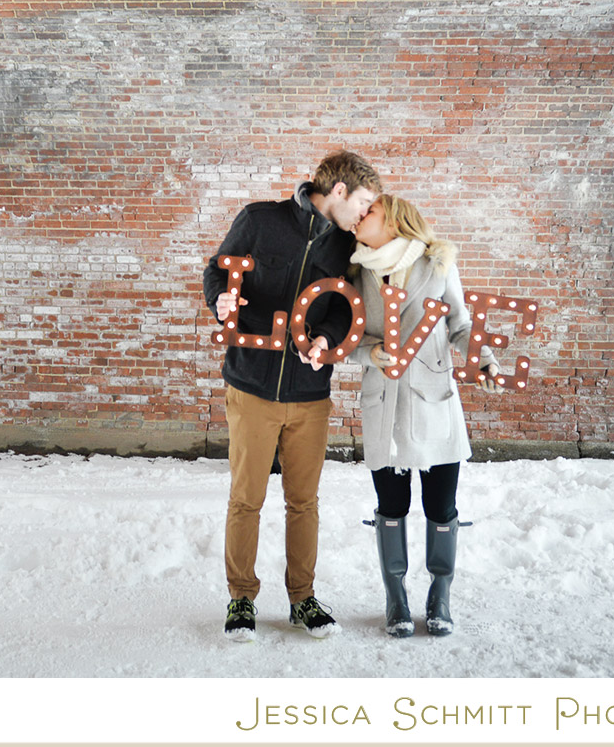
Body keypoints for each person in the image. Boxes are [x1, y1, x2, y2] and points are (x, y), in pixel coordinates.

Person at [203, 150, 381, 642]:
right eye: (363, 202)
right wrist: (219, 300)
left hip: (310, 393)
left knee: (304, 502)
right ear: (339, 191)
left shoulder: (347, 247)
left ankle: (303, 599)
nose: (365, 214)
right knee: (246, 499)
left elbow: (348, 311)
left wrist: (326, 335)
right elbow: (218, 272)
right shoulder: (260, 220)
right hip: (252, 387)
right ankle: (241, 598)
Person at [346, 194, 501, 637]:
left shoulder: (437, 263)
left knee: (441, 505)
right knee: (392, 506)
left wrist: (484, 358)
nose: (360, 218)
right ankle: (395, 596)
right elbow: (346, 340)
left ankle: (440, 593)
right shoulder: (356, 273)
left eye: (369, 212)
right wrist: (370, 353)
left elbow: (461, 326)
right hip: (384, 402)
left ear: (394, 221)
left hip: (434, 398)